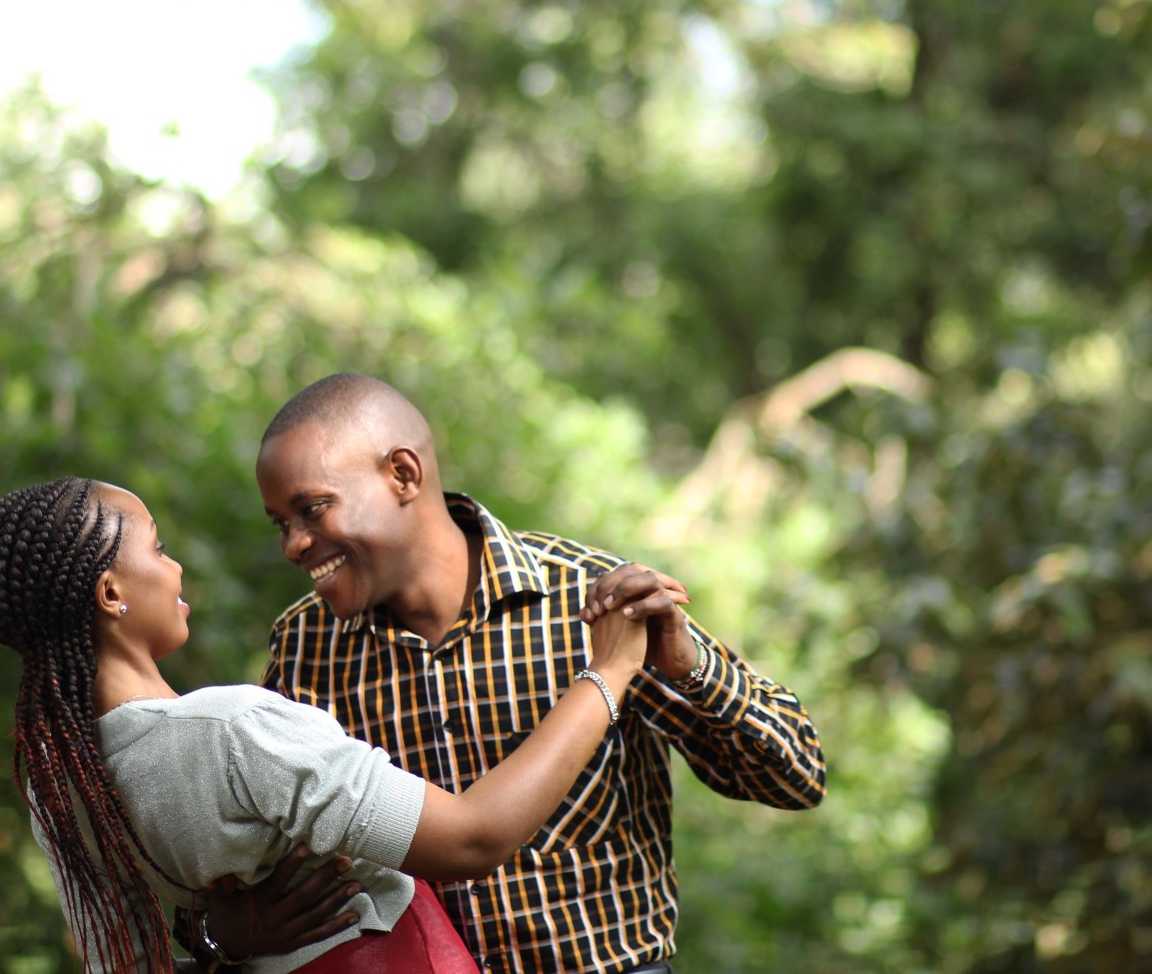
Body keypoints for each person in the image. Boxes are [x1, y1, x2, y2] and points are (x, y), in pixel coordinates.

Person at [203, 373, 826, 974]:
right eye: (281, 523)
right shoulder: (305, 646)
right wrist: (218, 934)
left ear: (402, 474)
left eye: (312, 509)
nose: (293, 544)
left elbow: (796, 779)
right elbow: (248, 863)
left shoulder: (589, 599)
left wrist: (691, 672)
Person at [0, 476, 684, 974]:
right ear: (111, 593)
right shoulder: (232, 730)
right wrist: (611, 671)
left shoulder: (61, 783)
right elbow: (472, 836)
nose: (175, 567)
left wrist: (217, 938)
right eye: (156, 546)